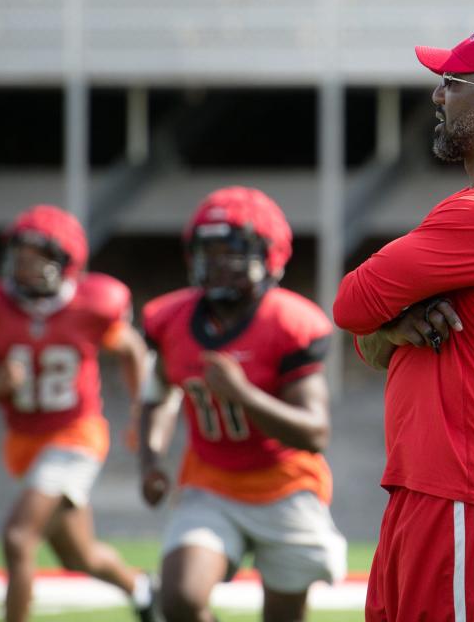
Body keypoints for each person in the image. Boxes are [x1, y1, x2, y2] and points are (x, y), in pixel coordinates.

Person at [333, 24, 474, 621]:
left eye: (453, 83)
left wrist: (381, 321)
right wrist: (393, 328)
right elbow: (369, 337)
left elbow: (351, 302)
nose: (438, 96)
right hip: (442, 485)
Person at [139, 186, 347, 622]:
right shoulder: (172, 320)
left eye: (230, 250)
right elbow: (158, 394)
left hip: (285, 485)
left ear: (267, 255)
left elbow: (315, 432)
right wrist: (150, 458)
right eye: (208, 250)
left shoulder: (289, 322)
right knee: (179, 599)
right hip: (210, 482)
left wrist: (243, 394)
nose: (216, 263)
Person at [0, 204, 159, 622]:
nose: (24, 263)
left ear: (66, 263)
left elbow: (132, 350)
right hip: (24, 442)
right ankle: (144, 591)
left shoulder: (92, 304)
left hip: (76, 434)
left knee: (17, 537)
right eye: (20, 253)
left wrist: (140, 410)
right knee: (79, 556)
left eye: (38, 255)